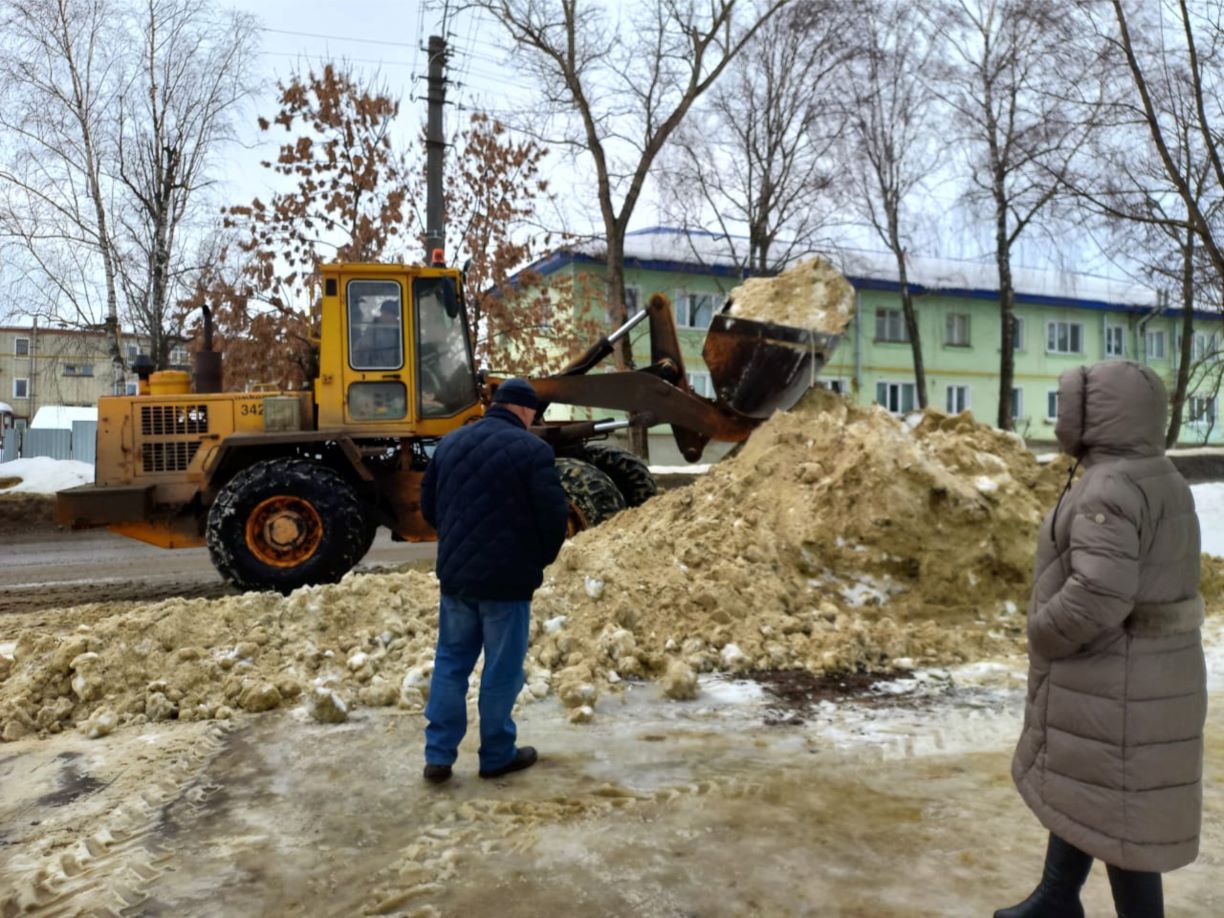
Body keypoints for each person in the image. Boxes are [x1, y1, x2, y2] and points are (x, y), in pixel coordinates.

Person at [996, 361, 1206, 918]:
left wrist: (1044, 632)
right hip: (1150, 670)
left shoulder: (1109, 487)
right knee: (1091, 786)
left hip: (1118, 674)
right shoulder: (1158, 474)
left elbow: (1099, 594)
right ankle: (1057, 897)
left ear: (1094, 413)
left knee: (1121, 818)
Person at [418, 378, 568, 783]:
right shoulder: (533, 451)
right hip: (508, 583)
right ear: (523, 410)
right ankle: (497, 755)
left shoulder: (450, 443)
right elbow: (553, 518)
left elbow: (428, 506)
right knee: (502, 671)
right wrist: (538, 560)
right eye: (534, 414)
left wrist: (456, 543)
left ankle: (438, 756)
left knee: (450, 663)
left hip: (457, 580)